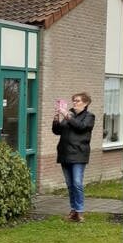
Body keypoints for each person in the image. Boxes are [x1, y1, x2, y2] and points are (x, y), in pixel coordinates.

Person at [52, 92, 96, 222]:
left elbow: (80, 127)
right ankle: (73, 210)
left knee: (77, 183)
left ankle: (80, 211)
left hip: (79, 153)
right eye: (73, 101)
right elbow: (57, 131)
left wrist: (66, 114)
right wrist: (56, 118)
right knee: (70, 184)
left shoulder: (89, 116)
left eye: (77, 101)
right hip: (65, 153)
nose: (74, 103)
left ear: (85, 103)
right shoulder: (68, 114)